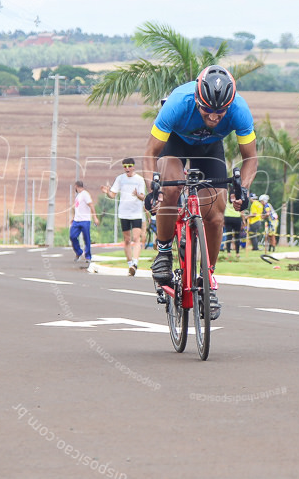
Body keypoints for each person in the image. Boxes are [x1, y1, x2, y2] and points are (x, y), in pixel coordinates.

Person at [144, 65, 257, 321]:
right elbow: (150, 153)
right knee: (170, 189)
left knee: (216, 214)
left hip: (209, 150)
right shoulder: (177, 104)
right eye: (208, 109)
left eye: (221, 111)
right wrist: (152, 188)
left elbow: (251, 158)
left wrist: (244, 189)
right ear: (197, 99)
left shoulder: (239, 109)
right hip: (176, 142)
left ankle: (207, 277)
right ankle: (163, 252)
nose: (215, 117)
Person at [101, 158, 145, 276]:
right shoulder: (120, 179)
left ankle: (135, 263)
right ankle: (130, 264)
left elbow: (143, 197)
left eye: (129, 166)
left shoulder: (139, 180)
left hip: (136, 213)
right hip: (123, 212)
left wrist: (137, 195)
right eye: (125, 166)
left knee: (136, 238)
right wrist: (107, 192)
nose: (127, 169)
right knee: (127, 240)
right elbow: (113, 195)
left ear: (134, 167)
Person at [70, 180, 100, 265]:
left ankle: (88, 256)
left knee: (86, 238)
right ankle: (79, 252)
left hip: (85, 220)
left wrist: (95, 217)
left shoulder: (85, 194)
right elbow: (76, 208)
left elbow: (91, 205)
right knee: (72, 236)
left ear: (76, 186)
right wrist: (73, 218)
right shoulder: (78, 196)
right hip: (77, 220)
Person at [222, 196, 244, 261]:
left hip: (227, 217)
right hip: (237, 217)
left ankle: (229, 253)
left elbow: (223, 207)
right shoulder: (238, 195)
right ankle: (237, 253)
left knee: (229, 236)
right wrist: (243, 220)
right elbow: (242, 208)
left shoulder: (226, 194)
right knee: (237, 237)